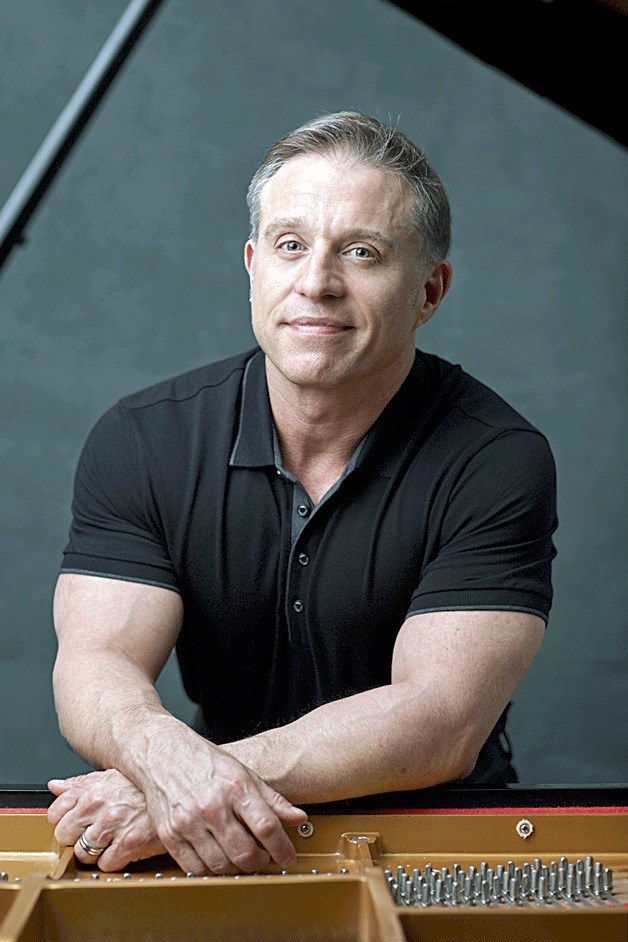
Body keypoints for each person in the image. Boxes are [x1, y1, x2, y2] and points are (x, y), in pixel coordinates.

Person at [47, 112, 557, 876]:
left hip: (438, 848)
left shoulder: (496, 460)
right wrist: (166, 764)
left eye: (362, 252)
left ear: (429, 291)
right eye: (290, 246)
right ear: (254, 265)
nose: (316, 283)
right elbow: (95, 664)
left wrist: (193, 782)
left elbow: (440, 720)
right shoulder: (142, 440)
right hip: (206, 838)